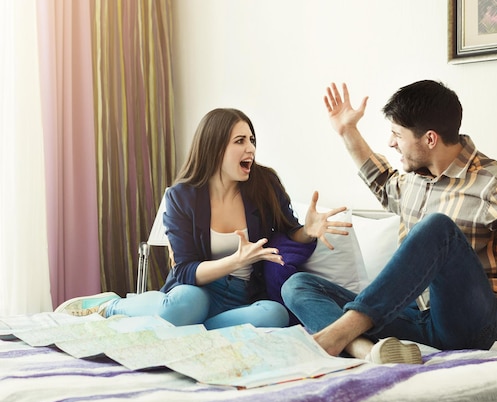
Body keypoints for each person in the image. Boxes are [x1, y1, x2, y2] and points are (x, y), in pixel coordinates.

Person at [281, 81, 497, 364]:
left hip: (473, 326)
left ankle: (339, 334)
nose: (391, 142)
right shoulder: (413, 181)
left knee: (438, 228)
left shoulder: (494, 182)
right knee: (297, 285)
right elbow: (380, 179)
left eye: (397, 134)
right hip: (415, 318)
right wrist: (347, 130)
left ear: (430, 138)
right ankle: (366, 352)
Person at [55, 108, 350, 330]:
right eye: (240, 141)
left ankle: (185, 328)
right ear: (215, 147)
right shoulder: (181, 197)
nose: (250, 148)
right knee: (187, 303)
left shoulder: (265, 183)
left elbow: (289, 232)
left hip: (241, 298)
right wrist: (235, 261)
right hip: (197, 291)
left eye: (252, 140)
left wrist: (308, 231)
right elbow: (184, 271)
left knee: (274, 315)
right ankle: (113, 306)